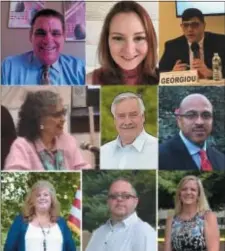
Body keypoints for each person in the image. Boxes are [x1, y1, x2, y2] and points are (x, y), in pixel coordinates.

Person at [4, 90, 91, 170]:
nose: (63, 119)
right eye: (57, 115)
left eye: (63, 113)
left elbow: (83, 169)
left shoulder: (67, 140)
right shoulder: (22, 146)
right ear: (39, 120)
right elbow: (13, 181)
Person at [1, 8, 85, 85]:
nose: (48, 40)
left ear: (64, 37)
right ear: (31, 36)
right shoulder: (8, 67)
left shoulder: (79, 69)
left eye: (55, 33)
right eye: (41, 33)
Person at [86, 1, 158, 85]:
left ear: (150, 41)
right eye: (118, 38)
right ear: (106, 41)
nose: (129, 51)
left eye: (139, 38)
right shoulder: (88, 82)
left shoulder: (166, 79)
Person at [86, 178, 156, 251]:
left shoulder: (144, 232)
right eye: (113, 196)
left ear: (135, 202)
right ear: (108, 202)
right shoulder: (98, 232)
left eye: (126, 196)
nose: (119, 199)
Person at [4, 180, 76, 251]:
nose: (42, 198)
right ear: (32, 200)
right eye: (38, 195)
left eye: (46, 195)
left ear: (52, 199)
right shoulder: (20, 221)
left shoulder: (61, 222)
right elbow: (9, 248)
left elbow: (71, 248)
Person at [159, 93, 225, 170]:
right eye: (191, 115)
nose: (199, 122)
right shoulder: (158, 157)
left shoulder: (221, 159)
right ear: (179, 120)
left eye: (206, 115)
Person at [159, 8, 225, 79]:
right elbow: (159, 74)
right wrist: (171, 73)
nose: (189, 29)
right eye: (186, 25)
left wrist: (212, 73)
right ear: (181, 27)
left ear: (204, 25)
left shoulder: (221, 42)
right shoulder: (172, 46)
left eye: (194, 25)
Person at [101, 92, 158, 169]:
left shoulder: (158, 150)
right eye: (121, 116)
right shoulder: (104, 152)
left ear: (143, 117)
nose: (127, 122)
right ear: (115, 120)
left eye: (133, 115)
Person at [164, 175, 220, 251]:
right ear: (179, 194)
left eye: (193, 190)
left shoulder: (208, 217)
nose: (188, 192)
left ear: (198, 195)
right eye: (184, 189)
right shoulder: (171, 219)